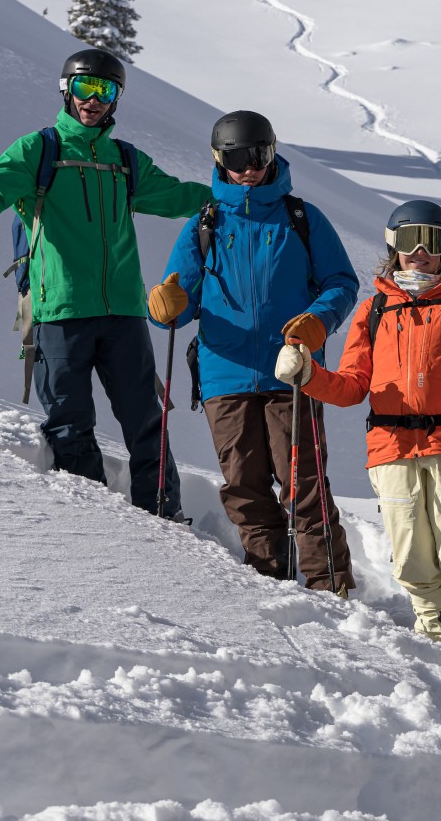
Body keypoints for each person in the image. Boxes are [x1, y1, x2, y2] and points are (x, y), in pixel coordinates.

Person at [0, 48, 209, 516]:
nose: (93, 99)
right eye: (85, 87)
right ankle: (93, 521)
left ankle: (163, 517)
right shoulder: (38, 150)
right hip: (59, 311)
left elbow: (177, 196)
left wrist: (229, 199)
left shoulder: (124, 160)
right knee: (69, 422)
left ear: (116, 98)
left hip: (123, 312)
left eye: (105, 90)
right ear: (66, 90)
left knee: (147, 422)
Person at [276, 200, 441, 687]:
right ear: (393, 247)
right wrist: (308, 375)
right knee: (410, 559)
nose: (420, 251)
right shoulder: (375, 309)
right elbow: (351, 385)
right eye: (409, 240)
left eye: (432, 240)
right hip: (391, 446)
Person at [147, 111, 358, 592]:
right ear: (219, 159)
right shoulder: (204, 224)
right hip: (225, 374)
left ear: (272, 153)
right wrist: (167, 304)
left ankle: (331, 587)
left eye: (258, 156)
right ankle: (268, 584)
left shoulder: (301, 218)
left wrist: (318, 319)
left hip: (291, 372)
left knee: (303, 484)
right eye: (237, 158)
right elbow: (179, 302)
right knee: (244, 486)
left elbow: (341, 282)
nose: (248, 168)